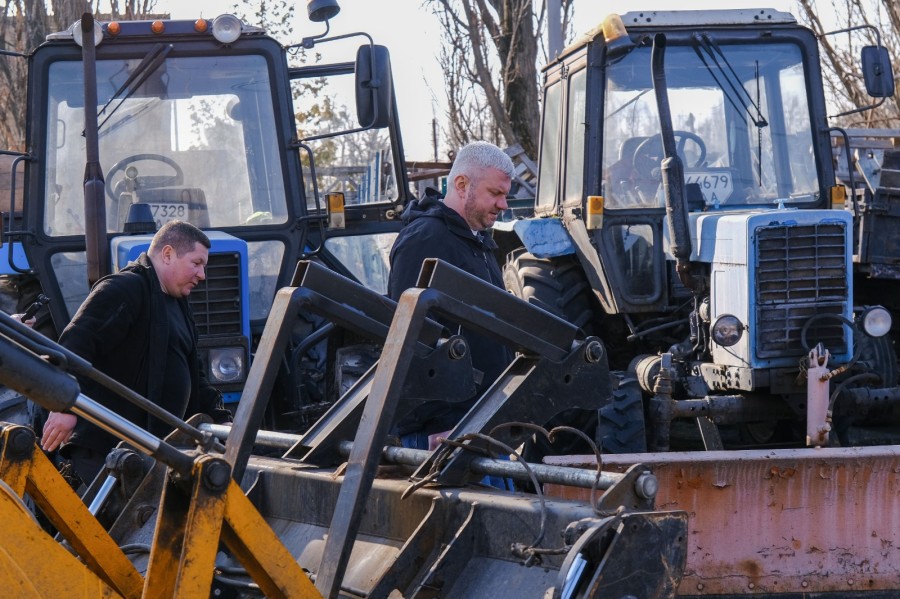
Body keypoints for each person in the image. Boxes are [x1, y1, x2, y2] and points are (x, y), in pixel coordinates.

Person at [40, 220, 231, 485]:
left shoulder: (178, 305)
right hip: (108, 451)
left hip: (150, 451)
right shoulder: (124, 289)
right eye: (196, 263)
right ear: (167, 254)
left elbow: (193, 373)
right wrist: (63, 405)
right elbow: (75, 344)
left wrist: (223, 422)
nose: (202, 275)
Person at [387, 140, 515, 447]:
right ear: (461, 184)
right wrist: (438, 424)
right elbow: (410, 339)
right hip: (443, 433)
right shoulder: (425, 240)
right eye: (495, 194)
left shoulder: (477, 242)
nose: (503, 205)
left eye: (505, 196)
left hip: (478, 421)